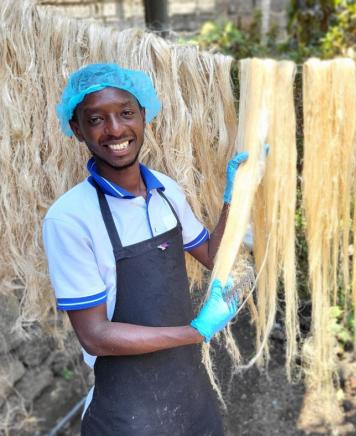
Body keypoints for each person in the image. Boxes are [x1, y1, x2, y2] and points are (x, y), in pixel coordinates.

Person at [42, 63, 248, 435]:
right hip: (128, 413)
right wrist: (196, 332)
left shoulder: (166, 191)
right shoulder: (70, 219)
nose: (116, 130)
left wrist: (235, 199)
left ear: (144, 116)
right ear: (77, 129)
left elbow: (212, 256)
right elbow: (96, 336)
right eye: (96, 119)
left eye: (125, 113)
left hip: (190, 391)